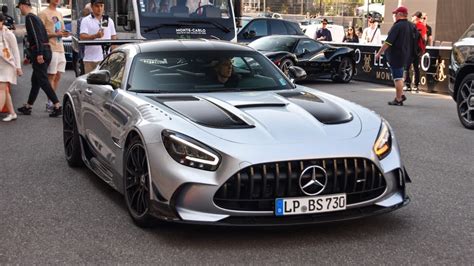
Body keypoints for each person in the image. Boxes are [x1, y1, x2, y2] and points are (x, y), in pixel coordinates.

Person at [16, 0, 62, 117]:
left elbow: (36, 36)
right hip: (46, 50)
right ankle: (28, 106)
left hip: (40, 51)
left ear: (23, 6)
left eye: (19, 7)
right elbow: (42, 36)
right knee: (35, 81)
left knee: (42, 80)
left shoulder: (30, 18)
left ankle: (57, 105)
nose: (19, 10)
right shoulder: (36, 18)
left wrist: (39, 53)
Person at [375, 6, 413, 106]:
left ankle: (398, 98)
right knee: (400, 76)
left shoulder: (397, 26)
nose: (394, 16)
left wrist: (379, 53)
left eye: (396, 14)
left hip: (396, 55)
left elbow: (388, 42)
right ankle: (401, 95)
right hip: (405, 54)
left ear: (400, 14)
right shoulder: (410, 25)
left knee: (397, 78)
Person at [39, 0, 70, 111]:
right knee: (51, 76)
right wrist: (55, 34)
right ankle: (50, 103)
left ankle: (52, 100)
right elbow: (40, 33)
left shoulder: (59, 13)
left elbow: (60, 31)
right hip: (50, 48)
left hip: (60, 47)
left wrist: (65, 33)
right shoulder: (43, 13)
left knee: (58, 76)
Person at [80, 0, 117, 74]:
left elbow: (113, 38)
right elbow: (82, 36)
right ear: (92, 7)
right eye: (97, 6)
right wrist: (95, 36)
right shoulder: (86, 20)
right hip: (90, 60)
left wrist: (114, 56)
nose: (99, 8)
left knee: (104, 83)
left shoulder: (109, 20)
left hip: (105, 59)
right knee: (90, 83)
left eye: (101, 6)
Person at [0, 14, 22, 122]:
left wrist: (18, 67)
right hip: (0, 65)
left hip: (8, 65)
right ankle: (12, 113)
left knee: (1, 88)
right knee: (5, 91)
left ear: (2, 22)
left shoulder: (8, 34)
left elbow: (16, 51)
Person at [404, 11, 427, 92]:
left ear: (416, 17)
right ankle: (416, 86)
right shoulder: (423, 26)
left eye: (413, 16)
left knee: (406, 67)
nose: (412, 18)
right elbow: (424, 38)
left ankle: (407, 85)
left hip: (410, 49)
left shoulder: (410, 25)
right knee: (416, 68)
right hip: (417, 50)